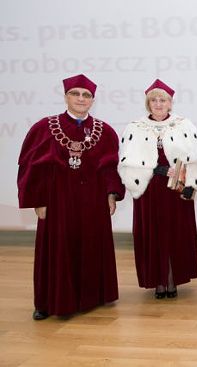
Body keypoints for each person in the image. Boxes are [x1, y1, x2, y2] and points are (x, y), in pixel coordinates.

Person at [17, 74, 125, 320]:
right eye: (75, 94)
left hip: (93, 200)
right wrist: (38, 200)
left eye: (86, 95)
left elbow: (110, 166)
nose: (81, 98)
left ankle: (90, 298)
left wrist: (111, 194)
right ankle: (47, 302)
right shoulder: (44, 127)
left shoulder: (105, 131)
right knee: (56, 248)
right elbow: (31, 165)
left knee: (90, 245)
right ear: (66, 96)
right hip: (58, 200)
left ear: (92, 100)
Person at [118, 79, 197, 299]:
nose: (158, 104)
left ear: (170, 103)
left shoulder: (184, 125)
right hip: (149, 191)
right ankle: (158, 281)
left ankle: (172, 279)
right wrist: (155, 169)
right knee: (153, 235)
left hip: (176, 191)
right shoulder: (135, 127)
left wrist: (192, 185)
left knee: (175, 234)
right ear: (148, 103)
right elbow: (126, 161)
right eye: (154, 100)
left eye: (163, 100)